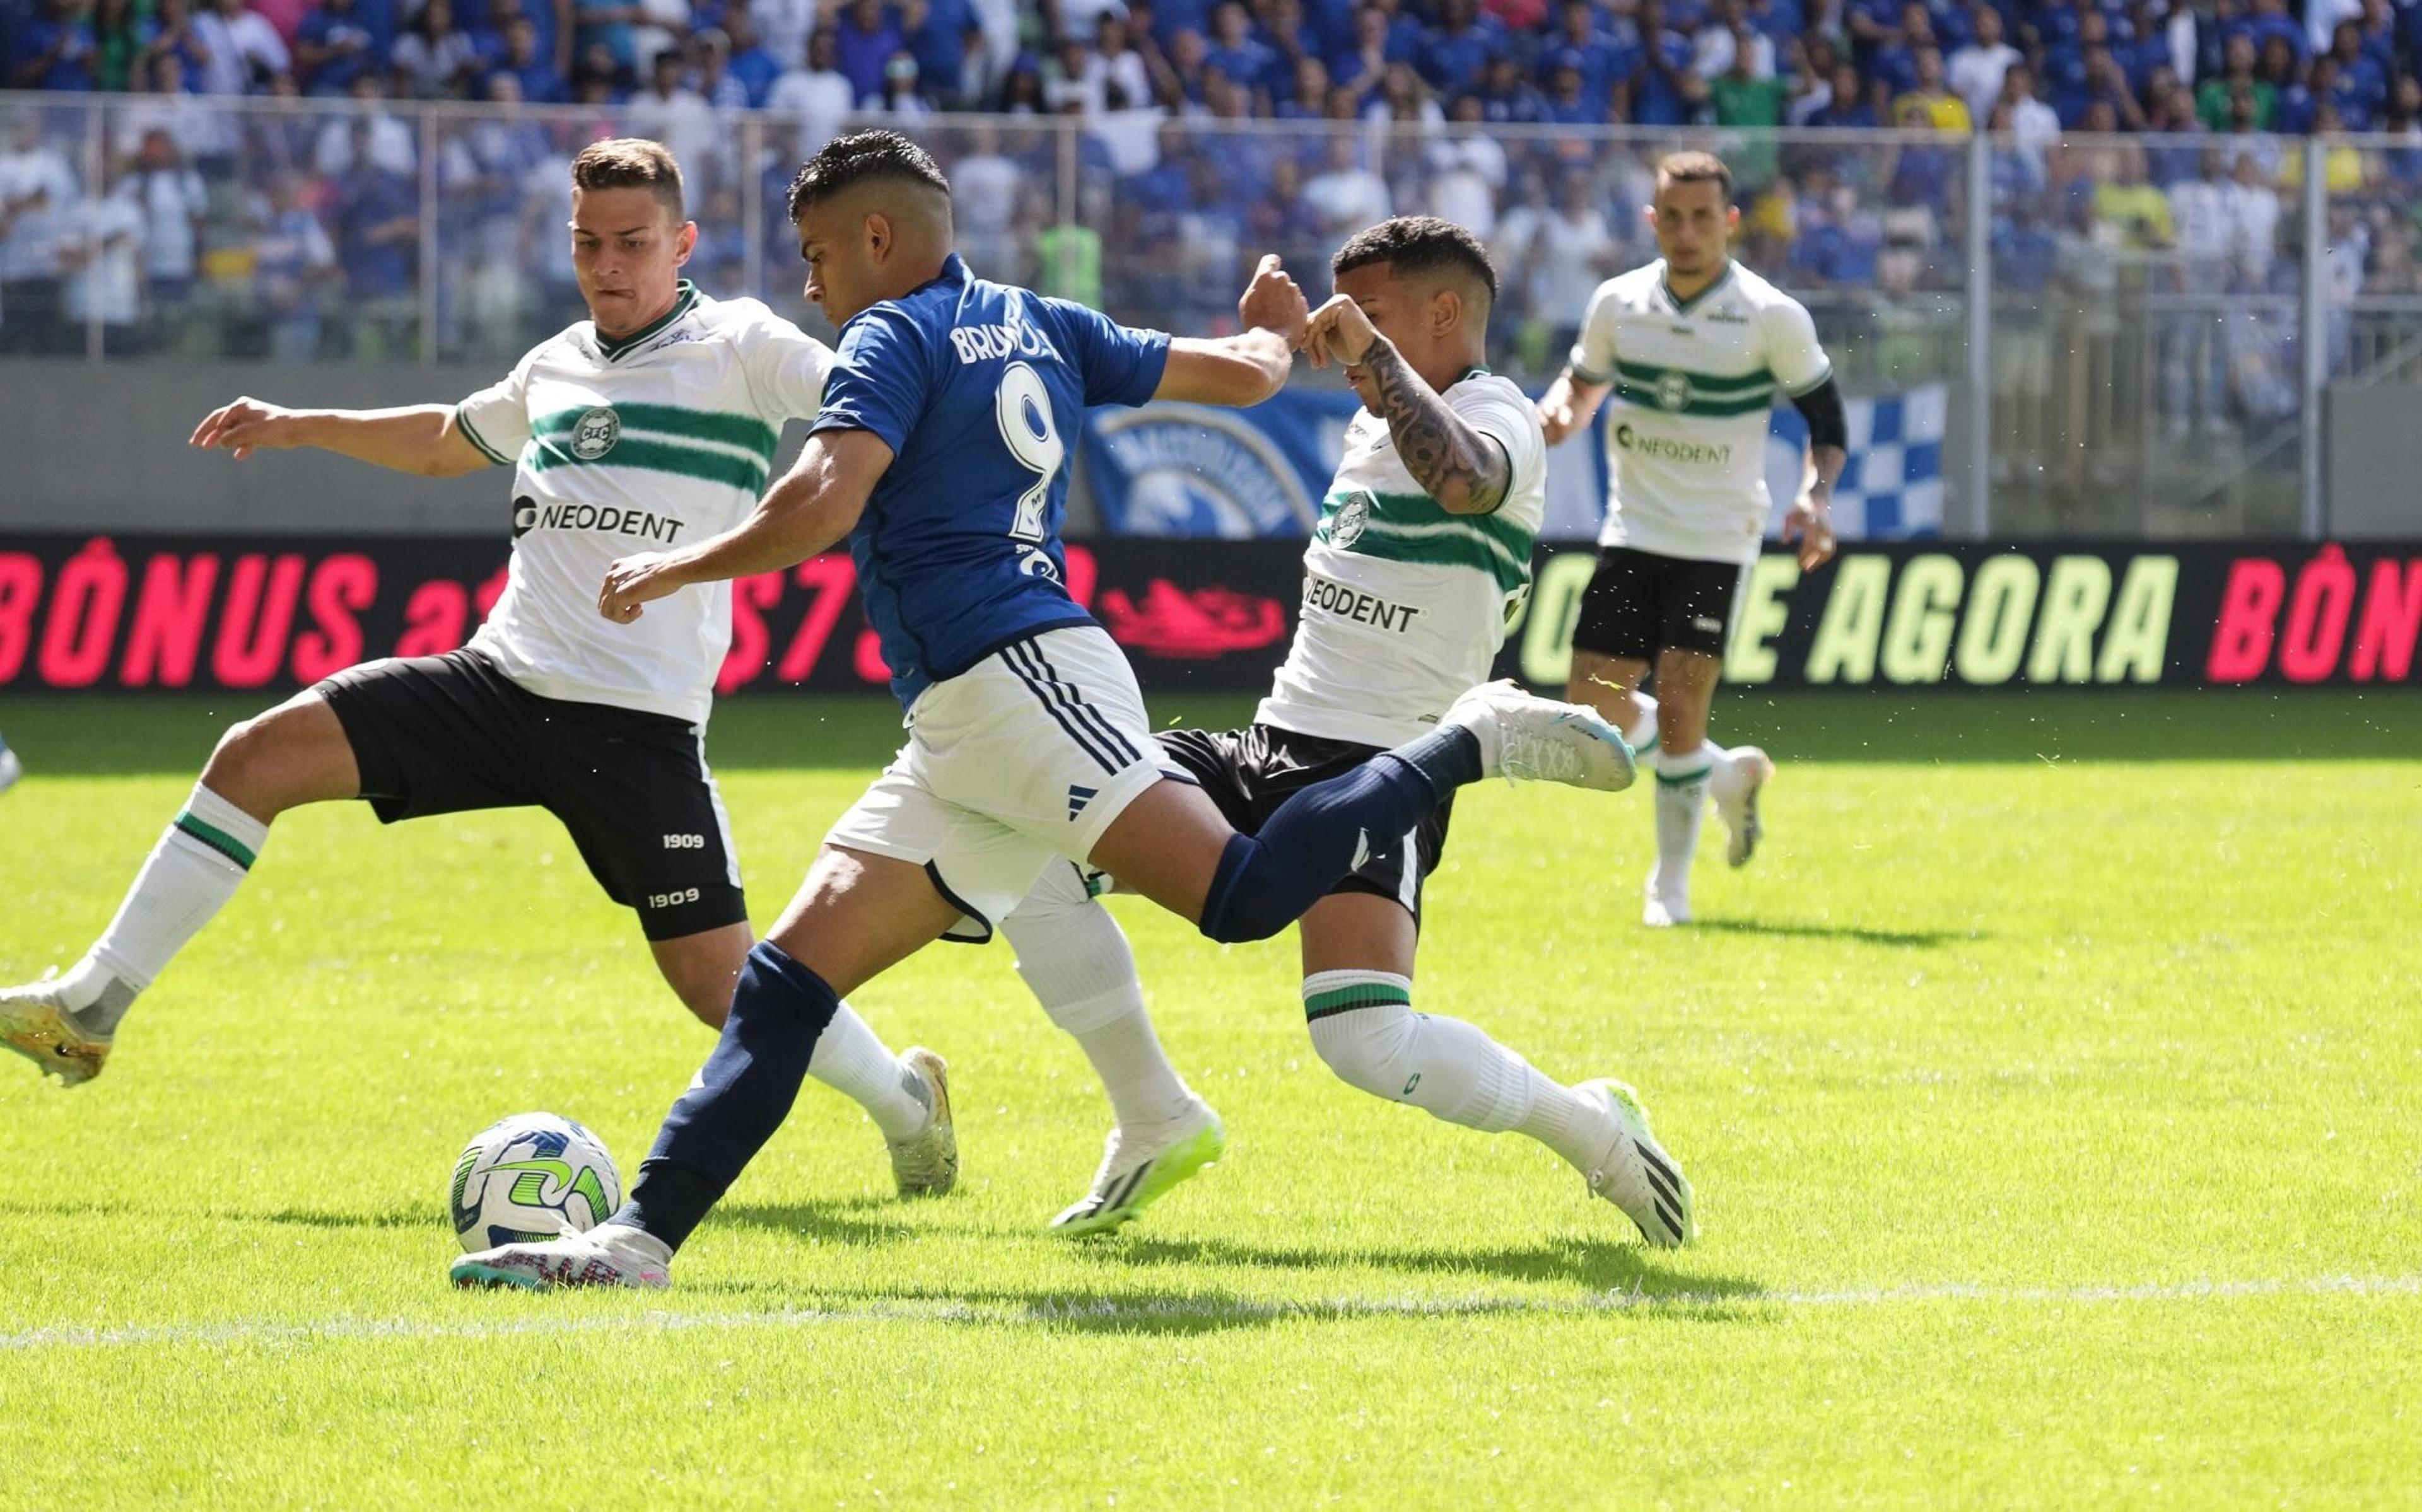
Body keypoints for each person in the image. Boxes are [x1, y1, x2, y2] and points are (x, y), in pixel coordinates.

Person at [450, 131, 1636, 1291]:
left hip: (1025, 680)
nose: (809, 282)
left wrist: (678, 565)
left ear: (879, 237)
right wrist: (1276, 335)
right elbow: (1238, 374)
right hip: (964, 720)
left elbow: (822, 496)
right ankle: (636, 1243)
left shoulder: (892, 333)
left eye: (817, 253)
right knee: (786, 982)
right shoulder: (1043, 318)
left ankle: (1468, 741)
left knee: (1242, 901)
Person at [0, 139, 961, 1209]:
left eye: (634, 242)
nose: (609, 263)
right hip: (496, 684)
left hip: (636, 728)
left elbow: (868, 396)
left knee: (721, 985)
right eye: (589, 242)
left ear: (683, 242)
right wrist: (294, 424)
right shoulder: (554, 363)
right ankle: (90, 1005)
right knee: (255, 754)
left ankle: (907, 1104)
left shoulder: (740, 343)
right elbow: (442, 442)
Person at [1001, 217, 1695, 1246]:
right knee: (1024, 839)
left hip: (1388, 766)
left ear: (1446, 312)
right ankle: (1155, 1114)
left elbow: (1465, 478)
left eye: (1369, 313)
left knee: (1363, 1039)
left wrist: (1361, 353)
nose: (1348, 335)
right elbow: (1371, 396)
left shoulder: (1495, 412)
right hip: (1270, 739)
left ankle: (1593, 1128)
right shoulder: (1374, 416)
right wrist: (1289, 340)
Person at [1536, 150, 1845, 928]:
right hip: (1632, 530)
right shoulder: (1618, 303)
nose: (1687, 231)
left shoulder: (1770, 315)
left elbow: (1827, 420)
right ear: (1652, 221)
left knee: (1679, 702)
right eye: (1672, 217)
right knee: (1591, 708)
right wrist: (1550, 421)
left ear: (1730, 222)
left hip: (1718, 536)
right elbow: (1579, 388)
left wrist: (1816, 494)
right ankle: (1723, 777)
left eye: (1703, 216)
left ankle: (1668, 888)